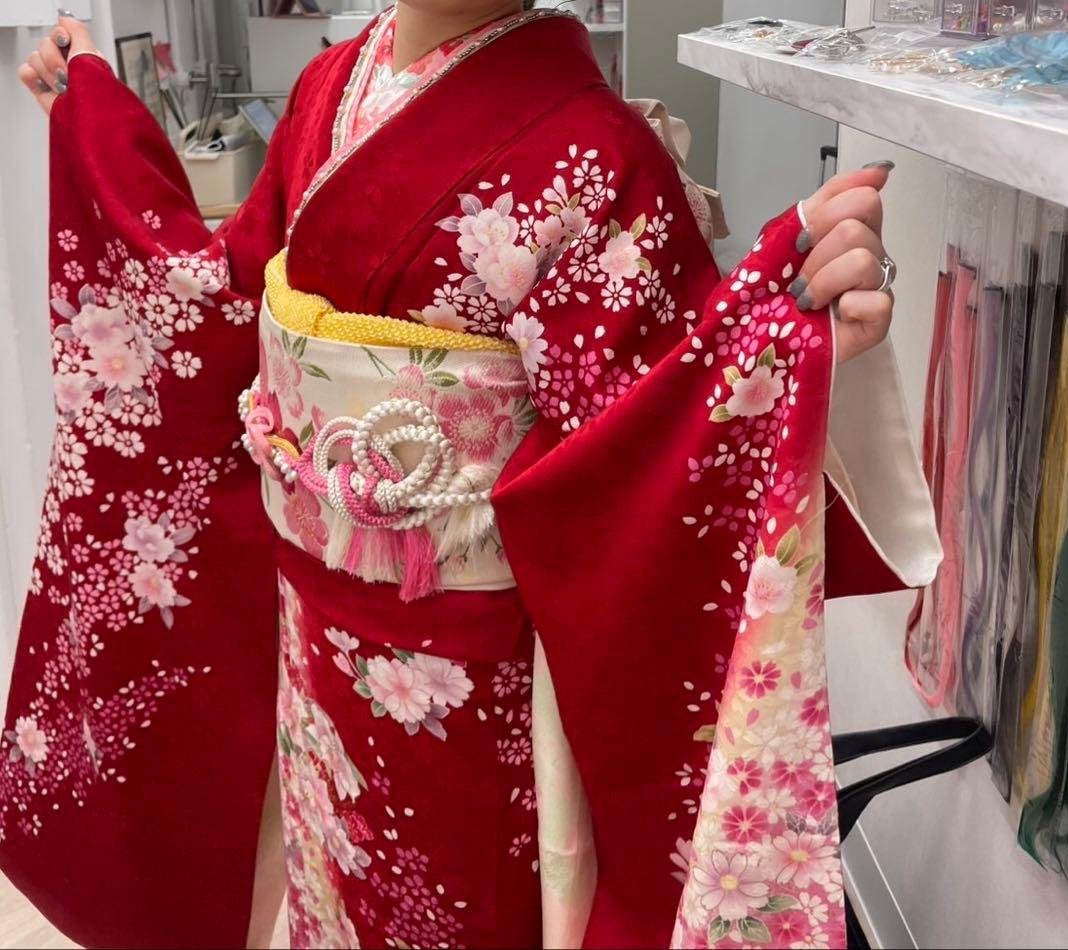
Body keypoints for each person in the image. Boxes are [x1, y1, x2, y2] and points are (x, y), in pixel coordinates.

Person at [7, 5, 939, 949]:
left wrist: (776, 351)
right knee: (332, 883)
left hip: (465, 678)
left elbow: (645, 456)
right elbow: (218, 305)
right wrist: (99, 131)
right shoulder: (332, 83)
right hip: (312, 640)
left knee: (460, 904)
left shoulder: (596, 154)